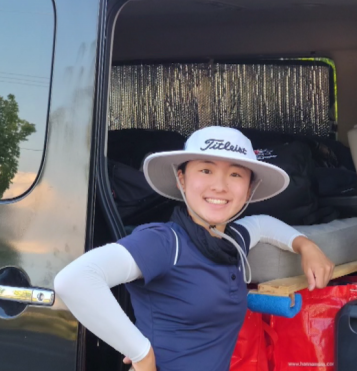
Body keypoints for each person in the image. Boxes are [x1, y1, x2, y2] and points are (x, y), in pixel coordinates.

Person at [54, 126, 335, 371]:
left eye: (236, 174)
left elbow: (261, 224)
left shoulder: (232, 240)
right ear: (182, 180)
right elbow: (75, 280)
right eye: (205, 169)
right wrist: (142, 354)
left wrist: (305, 245)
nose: (220, 185)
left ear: (249, 190)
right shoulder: (165, 242)